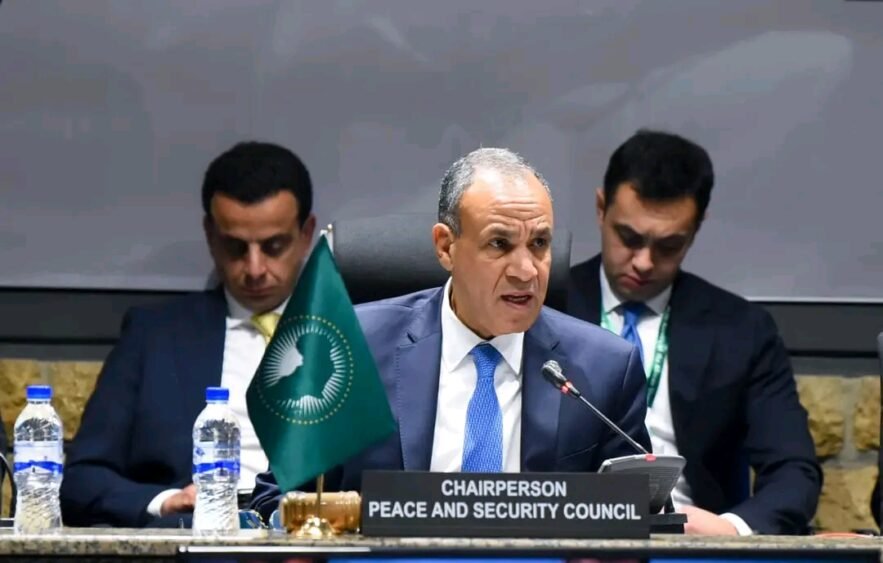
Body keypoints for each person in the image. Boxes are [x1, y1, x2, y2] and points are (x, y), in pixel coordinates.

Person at [250, 147, 651, 522]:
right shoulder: (349, 347)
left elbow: (640, 518)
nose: (526, 270)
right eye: (500, 244)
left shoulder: (605, 369)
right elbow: (276, 501)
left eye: (539, 243)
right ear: (445, 247)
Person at [567, 130, 821, 535]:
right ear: (601, 209)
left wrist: (731, 530)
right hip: (566, 530)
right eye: (629, 238)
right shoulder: (544, 307)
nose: (644, 262)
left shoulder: (740, 329)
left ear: (696, 229)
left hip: (690, 538)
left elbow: (794, 470)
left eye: (668, 246)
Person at [60, 141, 316, 527]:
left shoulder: (354, 331)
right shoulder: (155, 337)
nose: (255, 269)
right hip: (198, 535)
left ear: (306, 233)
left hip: (318, 535)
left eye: (273, 246)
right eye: (235, 247)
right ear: (210, 235)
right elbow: (81, 481)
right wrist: (166, 502)